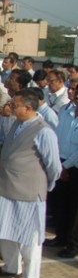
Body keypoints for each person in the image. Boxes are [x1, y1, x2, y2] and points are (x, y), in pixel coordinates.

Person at [0, 90, 61, 278]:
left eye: (15, 104)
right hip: (7, 187)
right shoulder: (16, 124)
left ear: (28, 108)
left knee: (29, 238)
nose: (11, 107)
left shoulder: (43, 131)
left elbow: (53, 165)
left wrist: (44, 186)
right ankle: (11, 266)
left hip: (29, 191)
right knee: (6, 231)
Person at [51, 85, 78, 256]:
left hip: (74, 165)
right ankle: (60, 236)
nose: (74, 94)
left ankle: (73, 244)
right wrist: (59, 164)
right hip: (61, 162)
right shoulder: (65, 110)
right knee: (59, 202)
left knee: (75, 208)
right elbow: (57, 135)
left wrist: (66, 166)